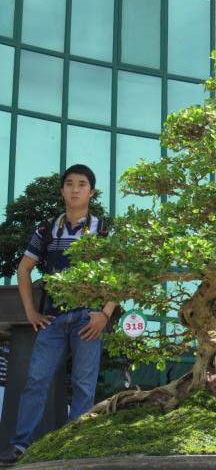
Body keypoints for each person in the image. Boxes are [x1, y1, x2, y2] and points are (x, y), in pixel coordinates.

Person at [0, 165, 117, 464]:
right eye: (69, 184)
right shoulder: (47, 228)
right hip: (51, 319)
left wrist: (104, 314)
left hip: (88, 318)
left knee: (83, 384)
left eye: (81, 184)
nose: (75, 189)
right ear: (62, 190)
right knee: (35, 381)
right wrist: (30, 311)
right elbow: (24, 268)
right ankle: (21, 445)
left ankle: (73, 447)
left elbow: (119, 273)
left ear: (91, 192)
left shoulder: (104, 230)